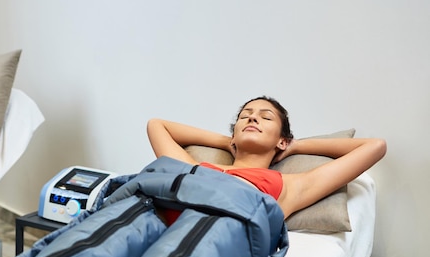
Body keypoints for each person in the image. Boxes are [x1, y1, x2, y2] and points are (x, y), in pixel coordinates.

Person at [147, 96, 387, 220]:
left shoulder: (290, 187)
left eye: (266, 117)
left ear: (281, 140)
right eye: (246, 116)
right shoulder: (195, 167)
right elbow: (156, 125)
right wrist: (228, 141)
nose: (252, 119)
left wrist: (294, 146)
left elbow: (374, 147)